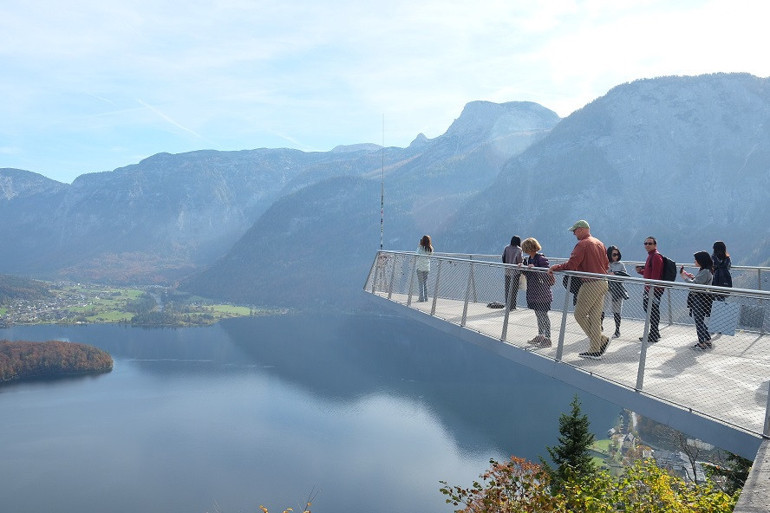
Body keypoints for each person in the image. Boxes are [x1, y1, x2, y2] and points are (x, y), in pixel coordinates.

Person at [548, 220, 610, 360]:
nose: (574, 234)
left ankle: (601, 340)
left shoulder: (582, 244)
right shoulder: (599, 243)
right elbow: (606, 264)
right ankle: (595, 350)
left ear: (581, 229)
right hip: (603, 282)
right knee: (595, 317)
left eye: (575, 231)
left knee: (579, 314)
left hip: (590, 283)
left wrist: (555, 267)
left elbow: (572, 264)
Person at [521, 238, 553, 348]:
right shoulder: (529, 259)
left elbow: (546, 274)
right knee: (538, 314)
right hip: (534, 292)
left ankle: (547, 338)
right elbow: (528, 274)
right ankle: (541, 335)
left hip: (542, 292)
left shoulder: (541, 259)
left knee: (543, 315)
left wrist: (535, 268)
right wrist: (523, 268)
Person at [681, 251, 715, 350]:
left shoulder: (705, 272)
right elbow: (699, 282)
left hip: (699, 298)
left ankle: (701, 343)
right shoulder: (705, 270)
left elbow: (694, 285)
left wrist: (684, 277)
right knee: (700, 320)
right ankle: (707, 340)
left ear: (701, 260)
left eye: (696, 260)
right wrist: (692, 277)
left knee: (698, 320)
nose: (694, 261)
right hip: (702, 297)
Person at [636, 236, 664, 343]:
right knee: (652, 310)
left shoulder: (655, 256)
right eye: (646, 243)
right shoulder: (651, 256)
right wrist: (641, 271)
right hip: (651, 289)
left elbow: (656, 274)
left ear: (655, 245)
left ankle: (653, 334)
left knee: (652, 311)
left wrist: (651, 288)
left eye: (650, 243)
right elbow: (650, 272)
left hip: (653, 290)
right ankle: (655, 332)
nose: (647, 245)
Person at [604, 245, 629, 339]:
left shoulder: (621, 265)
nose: (616, 256)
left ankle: (617, 330)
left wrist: (615, 274)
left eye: (617, 254)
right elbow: (602, 274)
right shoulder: (605, 263)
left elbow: (624, 275)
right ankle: (599, 326)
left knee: (617, 311)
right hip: (607, 289)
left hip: (618, 290)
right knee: (602, 308)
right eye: (614, 254)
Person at [502, 236, 524, 310]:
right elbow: (520, 261)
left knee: (507, 289)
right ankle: (513, 306)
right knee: (514, 290)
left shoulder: (506, 248)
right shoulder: (519, 249)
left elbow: (503, 258)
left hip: (507, 271)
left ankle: (507, 305)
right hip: (515, 272)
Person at [415, 235, 433, 302]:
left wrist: (419, 245)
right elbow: (430, 255)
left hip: (420, 267)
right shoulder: (430, 249)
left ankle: (421, 298)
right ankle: (426, 298)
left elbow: (416, 254)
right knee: (425, 283)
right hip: (427, 268)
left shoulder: (420, 248)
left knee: (420, 283)